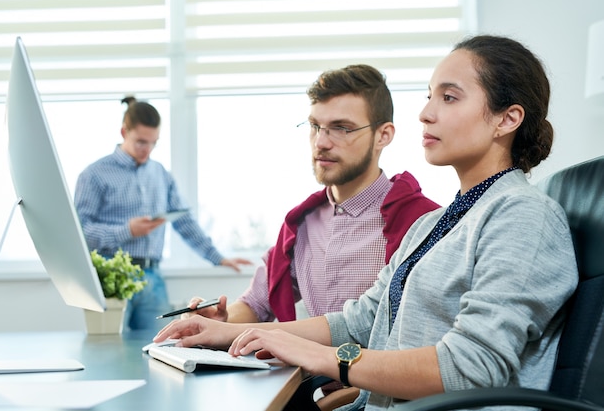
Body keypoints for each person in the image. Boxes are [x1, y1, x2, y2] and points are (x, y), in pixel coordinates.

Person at [154, 35, 579, 411]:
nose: (426, 114)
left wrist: (322, 358)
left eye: (449, 98)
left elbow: (470, 367)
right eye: (430, 96)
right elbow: (359, 321)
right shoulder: (435, 223)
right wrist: (227, 334)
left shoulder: (524, 215)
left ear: (507, 119)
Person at [185, 64, 439, 326]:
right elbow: (256, 304)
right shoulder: (301, 225)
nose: (321, 142)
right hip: (310, 367)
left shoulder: (423, 222)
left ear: (382, 136)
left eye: (342, 128)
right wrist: (219, 320)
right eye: (315, 126)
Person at [74, 96, 251, 331]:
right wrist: (127, 231)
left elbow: (184, 221)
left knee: (158, 347)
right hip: (111, 279)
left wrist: (217, 257)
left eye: (153, 143)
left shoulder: (160, 174)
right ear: (123, 132)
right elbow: (79, 232)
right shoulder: (94, 175)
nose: (147, 150)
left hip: (152, 279)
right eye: (140, 142)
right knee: (107, 346)